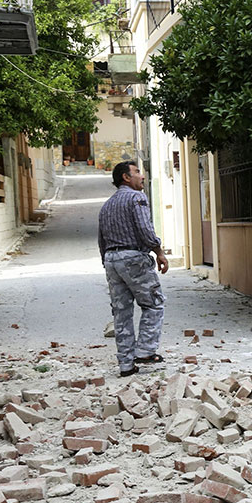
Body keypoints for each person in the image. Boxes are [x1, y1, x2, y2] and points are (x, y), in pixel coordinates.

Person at [98, 161, 169, 376]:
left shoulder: (107, 205)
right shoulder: (136, 197)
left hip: (111, 259)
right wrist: (159, 251)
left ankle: (126, 365)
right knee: (154, 303)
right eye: (137, 172)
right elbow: (145, 229)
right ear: (126, 178)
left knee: (121, 313)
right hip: (133, 257)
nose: (142, 176)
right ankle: (146, 350)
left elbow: (101, 238)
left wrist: (107, 262)